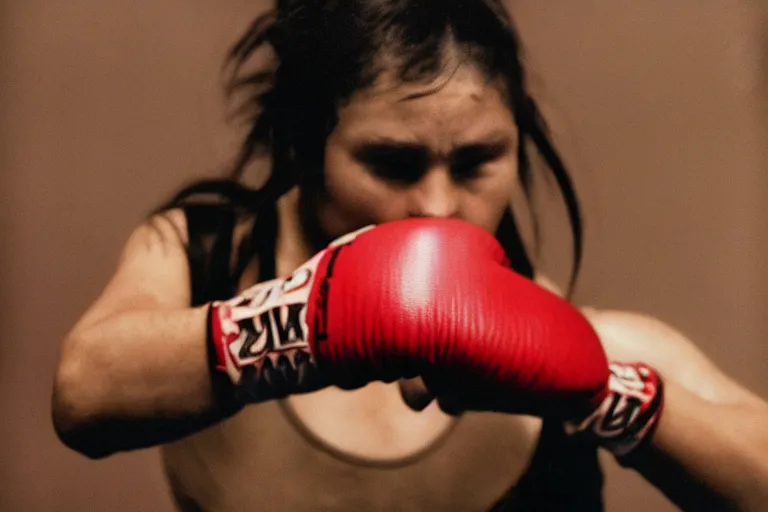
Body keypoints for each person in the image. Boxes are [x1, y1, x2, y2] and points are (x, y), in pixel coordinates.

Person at [51, 1, 768, 510]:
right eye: (393, 162)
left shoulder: (573, 338)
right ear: (305, 149)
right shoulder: (203, 259)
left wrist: (602, 394)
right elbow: (84, 394)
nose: (438, 206)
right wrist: (306, 324)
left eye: (476, 160)